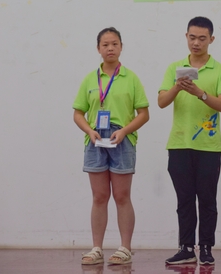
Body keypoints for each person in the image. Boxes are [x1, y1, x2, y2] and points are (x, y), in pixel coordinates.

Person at [158, 17, 221, 266]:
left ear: (211, 39)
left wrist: (200, 93)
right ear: (186, 37)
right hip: (179, 144)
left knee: (208, 199)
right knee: (185, 199)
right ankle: (186, 247)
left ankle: (206, 247)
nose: (196, 43)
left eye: (202, 38)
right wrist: (177, 88)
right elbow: (161, 102)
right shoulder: (174, 68)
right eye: (192, 37)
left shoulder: (220, 70)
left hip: (209, 147)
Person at [73, 27, 150, 266]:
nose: (110, 48)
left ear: (121, 47)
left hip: (122, 139)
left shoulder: (131, 78)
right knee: (99, 196)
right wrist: (89, 131)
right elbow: (78, 113)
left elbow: (144, 113)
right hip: (95, 140)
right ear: (98, 48)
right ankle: (97, 248)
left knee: (122, 195)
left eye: (115, 44)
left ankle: (125, 248)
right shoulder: (90, 79)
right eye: (105, 44)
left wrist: (125, 130)